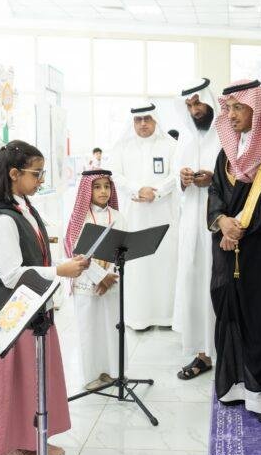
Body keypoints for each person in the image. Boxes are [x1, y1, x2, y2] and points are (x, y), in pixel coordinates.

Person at [0, 141, 88, 455]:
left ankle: (31, 440)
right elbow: (11, 274)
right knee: (15, 384)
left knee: (34, 381)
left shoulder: (23, 206)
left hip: (35, 309)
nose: (41, 180)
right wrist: (59, 271)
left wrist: (61, 264)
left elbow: (34, 255)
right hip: (14, 314)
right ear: (14, 174)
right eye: (36, 174)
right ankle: (8, 451)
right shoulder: (2, 218)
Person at [208, 80, 261, 420]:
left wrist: (238, 228)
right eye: (228, 108)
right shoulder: (225, 152)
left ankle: (259, 391)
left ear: (257, 109)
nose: (232, 114)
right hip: (225, 250)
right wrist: (221, 221)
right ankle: (233, 384)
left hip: (258, 251)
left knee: (259, 318)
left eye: (239, 107)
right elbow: (214, 192)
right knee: (229, 314)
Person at [108, 102, 180, 330]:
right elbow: (116, 175)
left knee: (165, 264)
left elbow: (177, 174)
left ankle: (166, 317)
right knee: (138, 267)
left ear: (155, 119)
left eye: (147, 118)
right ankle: (138, 318)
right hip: (134, 218)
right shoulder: (122, 147)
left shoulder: (170, 145)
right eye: (138, 120)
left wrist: (156, 192)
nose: (143, 124)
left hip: (164, 217)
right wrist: (138, 189)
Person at [172, 78, 221, 380]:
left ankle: (224, 352)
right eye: (190, 105)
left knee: (217, 284)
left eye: (198, 103)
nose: (195, 110)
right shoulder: (186, 139)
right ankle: (202, 353)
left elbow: (239, 177)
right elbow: (175, 183)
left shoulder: (226, 134)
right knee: (195, 285)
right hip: (192, 224)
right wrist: (183, 179)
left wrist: (214, 179)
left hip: (218, 223)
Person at [64, 169, 125, 391]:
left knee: (111, 328)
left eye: (107, 186)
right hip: (86, 282)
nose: (103, 191)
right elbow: (75, 253)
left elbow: (125, 248)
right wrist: (100, 276)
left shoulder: (118, 216)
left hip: (112, 281)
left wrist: (110, 276)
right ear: (86, 190)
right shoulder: (79, 218)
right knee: (89, 330)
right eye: (97, 186)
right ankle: (91, 375)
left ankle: (112, 371)